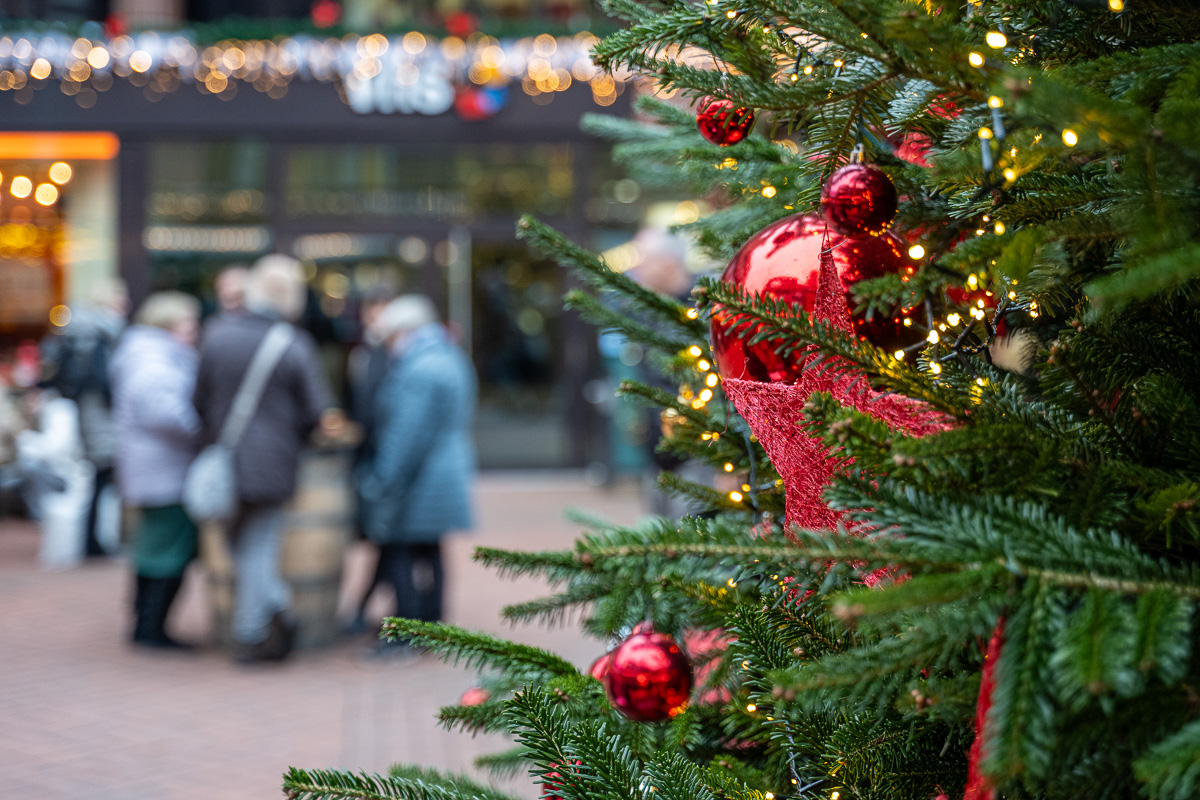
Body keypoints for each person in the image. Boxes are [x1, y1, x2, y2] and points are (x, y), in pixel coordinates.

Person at [193, 254, 339, 663]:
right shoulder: (294, 343)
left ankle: (272, 609)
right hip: (273, 464)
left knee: (236, 539)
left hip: (223, 460)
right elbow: (318, 413)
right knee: (258, 543)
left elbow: (197, 400)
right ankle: (253, 630)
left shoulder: (216, 334)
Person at [358, 295, 476, 653]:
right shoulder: (448, 356)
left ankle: (406, 633)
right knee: (430, 549)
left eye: (392, 337)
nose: (391, 347)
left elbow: (406, 435)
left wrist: (384, 477)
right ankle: (432, 625)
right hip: (444, 471)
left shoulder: (420, 367)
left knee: (400, 551)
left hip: (421, 477)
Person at [108, 291, 203, 649]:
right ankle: (151, 627)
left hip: (153, 470)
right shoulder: (154, 362)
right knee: (167, 552)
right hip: (165, 472)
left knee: (152, 549)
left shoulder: (145, 355)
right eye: (187, 325)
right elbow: (169, 416)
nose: (193, 332)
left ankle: (144, 623)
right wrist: (204, 427)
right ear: (166, 325)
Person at [40, 277, 128, 557]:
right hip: (100, 412)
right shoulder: (101, 330)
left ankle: (93, 539)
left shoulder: (80, 329)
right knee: (103, 475)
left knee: (99, 476)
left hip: (87, 410)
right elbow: (103, 379)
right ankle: (93, 541)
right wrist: (115, 403)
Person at [342, 289, 395, 635]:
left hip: (384, 459)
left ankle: (364, 608)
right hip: (370, 455)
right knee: (384, 540)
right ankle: (364, 608)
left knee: (388, 540)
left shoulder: (393, 355)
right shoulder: (363, 354)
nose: (371, 319)